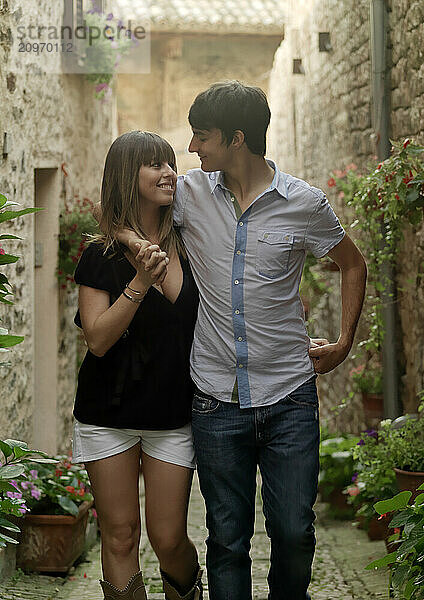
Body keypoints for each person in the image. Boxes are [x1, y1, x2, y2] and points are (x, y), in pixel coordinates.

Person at [118, 81, 367, 600]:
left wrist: (344, 342)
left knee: (294, 535)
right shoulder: (186, 195)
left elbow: (352, 263)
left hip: (288, 397)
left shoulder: (304, 204)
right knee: (227, 541)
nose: (190, 149)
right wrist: (127, 242)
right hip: (214, 399)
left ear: (235, 139)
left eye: (200, 137)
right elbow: (119, 210)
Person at [72, 131, 203, 600]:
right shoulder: (99, 255)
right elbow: (99, 339)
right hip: (108, 414)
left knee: (169, 540)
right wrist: (140, 283)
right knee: (121, 533)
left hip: (173, 411)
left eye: (170, 163)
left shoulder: (191, 243)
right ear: (129, 176)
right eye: (154, 165)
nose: (169, 172)